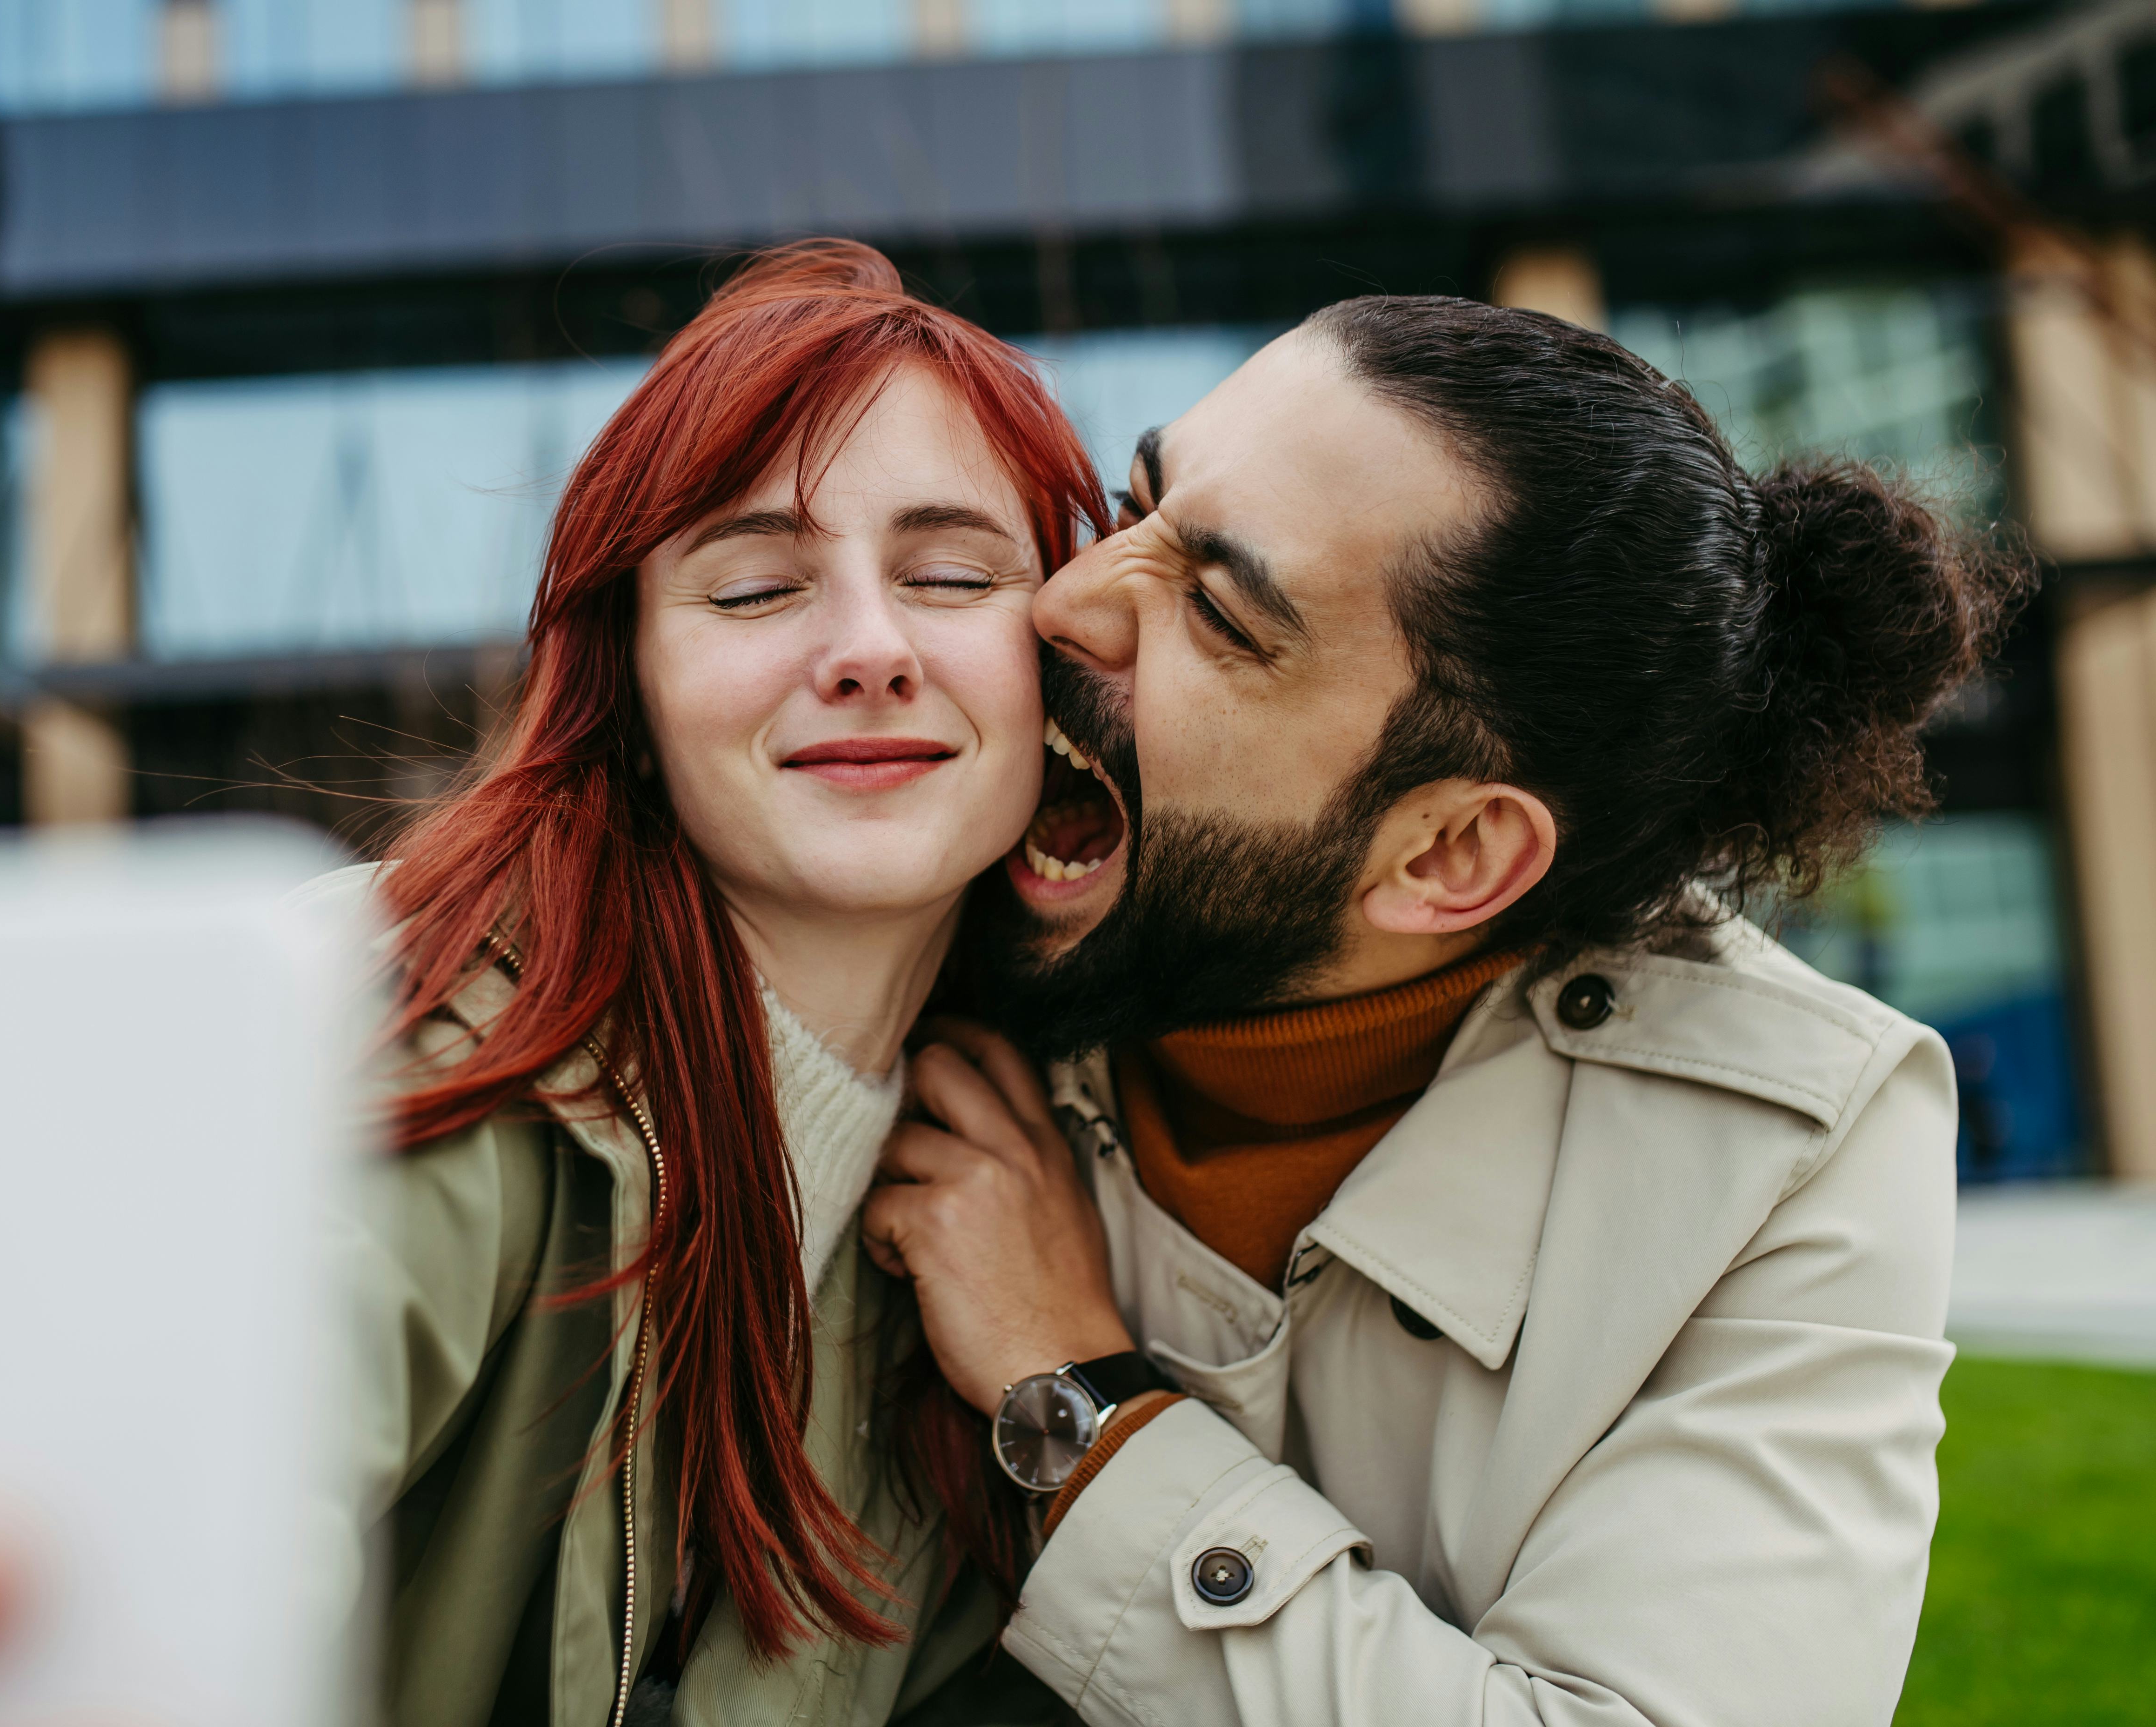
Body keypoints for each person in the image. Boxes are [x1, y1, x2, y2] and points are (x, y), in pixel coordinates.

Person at [0, 241, 1105, 1727]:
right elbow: (123, 1578)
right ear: (625, 691)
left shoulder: (1019, 1192)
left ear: (1062, 672)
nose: (866, 648)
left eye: (954, 573)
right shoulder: (410, 1033)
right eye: (756, 589)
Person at [866, 296, 2032, 1726]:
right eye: (1134, 506)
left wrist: (1079, 1397)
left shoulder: (1790, 1140)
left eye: (1221, 611)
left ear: (1448, 855)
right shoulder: (899, 919)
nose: (1068, 599)